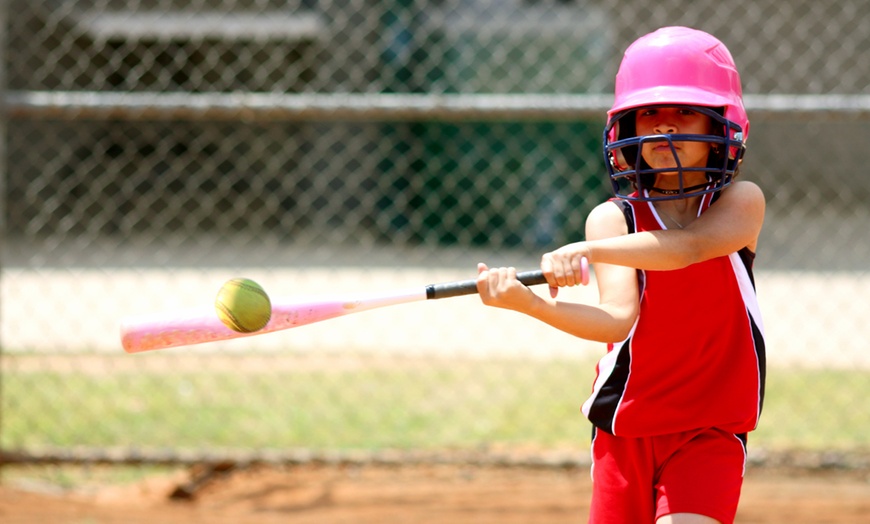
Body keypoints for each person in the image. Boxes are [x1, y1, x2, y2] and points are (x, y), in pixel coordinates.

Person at [476, 27, 766, 524]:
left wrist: (586, 250)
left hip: (710, 427)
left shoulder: (739, 203)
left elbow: (688, 248)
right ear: (625, 126)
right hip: (626, 426)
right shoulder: (613, 218)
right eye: (650, 113)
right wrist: (531, 303)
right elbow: (614, 321)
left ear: (721, 126)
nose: (664, 127)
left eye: (684, 111)